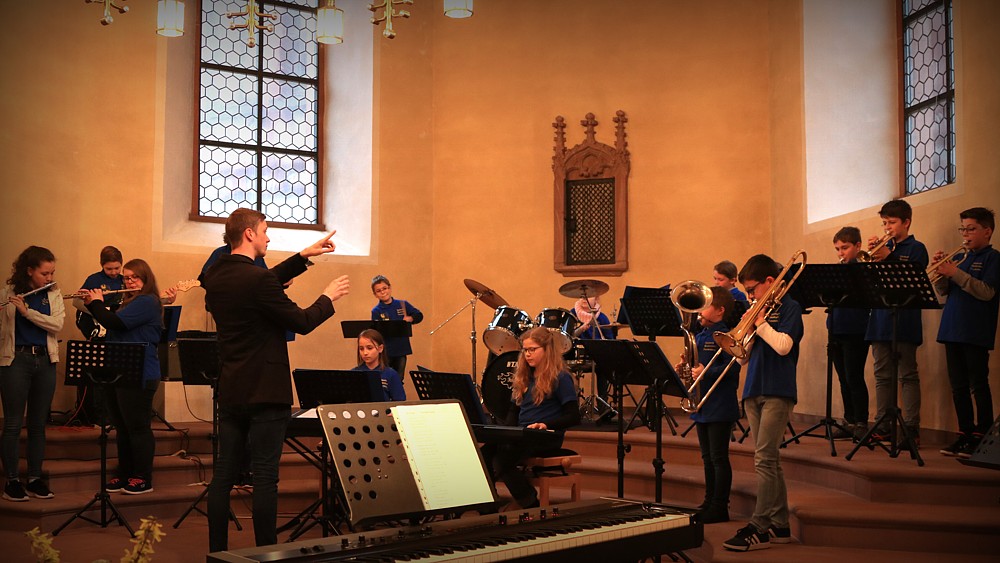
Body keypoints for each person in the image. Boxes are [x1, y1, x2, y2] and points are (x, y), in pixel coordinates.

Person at [204, 208, 350, 552]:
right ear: (250, 234)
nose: (268, 237)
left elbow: (262, 279)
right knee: (266, 477)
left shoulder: (215, 275)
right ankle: (266, 554)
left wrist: (303, 257)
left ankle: (217, 552)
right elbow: (302, 321)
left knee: (223, 475)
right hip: (266, 391)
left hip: (232, 388)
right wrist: (328, 297)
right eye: (265, 230)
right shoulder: (258, 280)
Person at [722, 254, 803, 552]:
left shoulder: (790, 308)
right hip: (753, 388)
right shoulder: (759, 311)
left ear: (770, 282)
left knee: (764, 460)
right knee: (770, 460)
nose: (749, 296)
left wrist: (761, 323)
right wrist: (746, 332)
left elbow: (783, 346)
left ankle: (759, 525)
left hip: (778, 390)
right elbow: (741, 359)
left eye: (752, 290)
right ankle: (780, 525)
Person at [82, 259, 164, 495]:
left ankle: (142, 477)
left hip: (140, 372)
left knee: (137, 427)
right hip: (118, 370)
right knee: (122, 427)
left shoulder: (148, 301)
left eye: (135, 277)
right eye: (126, 278)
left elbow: (114, 323)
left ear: (145, 279)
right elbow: (111, 323)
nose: (129, 281)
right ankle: (125, 472)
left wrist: (96, 303)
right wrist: (91, 304)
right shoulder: (128, 302)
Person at [933, 207, 999, 458]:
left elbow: (987, 292)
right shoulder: (961, 258)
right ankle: (965, 434)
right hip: (952, 329)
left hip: (975, 331)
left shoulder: (993, 258)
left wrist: (955, 273)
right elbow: (943, 290)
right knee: (958, 386)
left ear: (987, 231)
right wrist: (941, 271)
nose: (965, 234)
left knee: (978, 385)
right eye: (963, 229)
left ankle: (983, 436)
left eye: (971, 229)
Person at [0, 246, 65, 502]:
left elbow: (57, 324)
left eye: (51, 273)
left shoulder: (53, 293)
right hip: (15, 360)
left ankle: (35, 479)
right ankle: (12, 481)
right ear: (29, 271)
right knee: (13, 424)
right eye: (44, 274)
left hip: (45, 360)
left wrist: (27, 312)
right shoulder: (8, 293)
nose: (49, 278)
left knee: (38, 424)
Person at [491, 327, 580, 510]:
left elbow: (573, 416)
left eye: (532, 349)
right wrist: (506, 433)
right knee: (485, 454)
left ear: (547, 350)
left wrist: (545, 424)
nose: (527, 354)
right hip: (524, 434)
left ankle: (530, 504)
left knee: (502, 459)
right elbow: (513, 412)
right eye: (525, 350)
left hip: (546, 436)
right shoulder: (524, 376)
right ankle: (487, 505)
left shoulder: (560, 377)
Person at [864, 199, 928, 446]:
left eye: (891, 222)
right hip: (880, 320)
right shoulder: (883, 248)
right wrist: (872, 260)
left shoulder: (916, 249)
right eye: (884, 223)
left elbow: (912, 281)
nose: (887, 228)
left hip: (905, 321)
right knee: (882, 376)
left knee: (907, 375)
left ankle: (911, 428)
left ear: (906, 222)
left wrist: (889, 257)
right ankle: (883, 424)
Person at [675, 286, 740, 524]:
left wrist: (706, 371)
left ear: (720, 310)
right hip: (702, 404)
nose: (700, 310)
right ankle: (709, 501)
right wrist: (686, 367)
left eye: (706, 306)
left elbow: (733, 370)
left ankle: (720, 506)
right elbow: (695, 366)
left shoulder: (725, 336)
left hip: (720, 404)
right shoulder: (700, 335)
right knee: (707, 458)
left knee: (718, 458)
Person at [829, 227, 871, 441]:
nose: (841, 253)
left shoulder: (863, 270)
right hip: (836, 328)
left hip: (856, 330)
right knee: (843, 378)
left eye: (844, 248)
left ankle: (861, 422)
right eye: (838, 249)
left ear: (858, 246)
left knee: (854, 376)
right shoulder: (839, 271)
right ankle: (849, 420)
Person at [370, 275, 423, 379]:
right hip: (386, 351)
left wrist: (411, 318)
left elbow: (419, 315)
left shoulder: (402, 304)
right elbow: (376, 332)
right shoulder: (376, 311)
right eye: (378, 291)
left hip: (401, 349)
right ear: (375, 294)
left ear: (389, 288)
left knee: (399, 378)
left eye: (384, 288)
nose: (383, 292)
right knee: (385, 378)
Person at [571, 295, 615, 409]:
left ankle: (602, 406)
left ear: (596, 299)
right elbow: (567, 337)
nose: (584, 299)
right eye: (581, 296)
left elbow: (610, 342)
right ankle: (571, 406)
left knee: (603, 368)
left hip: (595, 357)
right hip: (575, 356)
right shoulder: (572, 314)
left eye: (589, 296)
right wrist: (581, 329)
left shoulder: (602, 318)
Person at [73, 245, 125, 340]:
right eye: (109, 269)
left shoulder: (124, 280)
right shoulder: (94, 279)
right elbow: (76, 302)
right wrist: (98, 311)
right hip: (95, 321)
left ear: (121, 263)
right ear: (102, 265)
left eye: (117, 268)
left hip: (113, 321)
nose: (113, 272)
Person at [352, 328, 406, 401]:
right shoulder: (353, 373)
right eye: (361, 349)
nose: (365, 353)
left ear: (380, 348)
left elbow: (400, 401)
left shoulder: (391, 374)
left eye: (369, 348)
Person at [714, 260, 750, 330]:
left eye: (720, 280)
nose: (716, 282)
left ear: (732, 280)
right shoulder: (717, 295)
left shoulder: (739, 295)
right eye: (715, 279)